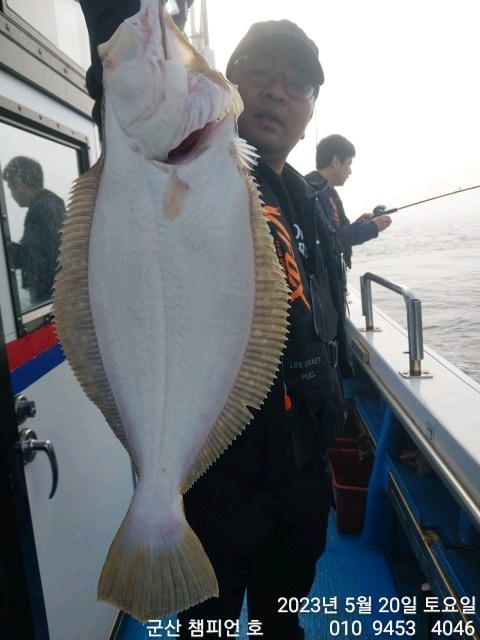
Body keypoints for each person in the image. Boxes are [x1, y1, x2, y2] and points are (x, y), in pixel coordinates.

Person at [79, 4, 349, 639]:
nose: (277, 89)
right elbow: (124, 84)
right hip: (223, 476)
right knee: (212, 630)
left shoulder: (310, 203)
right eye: (259, 71)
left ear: (311, 112)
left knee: (283, 621)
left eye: (298, 83)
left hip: (303, 472)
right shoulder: (203, 160)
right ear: (226, 86)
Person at [305, 134, 392, 268]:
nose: (350, 171)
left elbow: (333, 230)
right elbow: (332, 238)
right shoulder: (312, 192)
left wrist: (359, 223)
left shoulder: (328, 192)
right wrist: (373, 226)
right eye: (349, 163)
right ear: (335, 161)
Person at [2, 156, 65, 305]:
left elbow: (33, 257)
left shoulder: (40, 208)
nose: (11, 194)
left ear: (19, 183)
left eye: (10, 187)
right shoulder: (53, 203)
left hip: (49, 298)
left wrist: (5, 249)